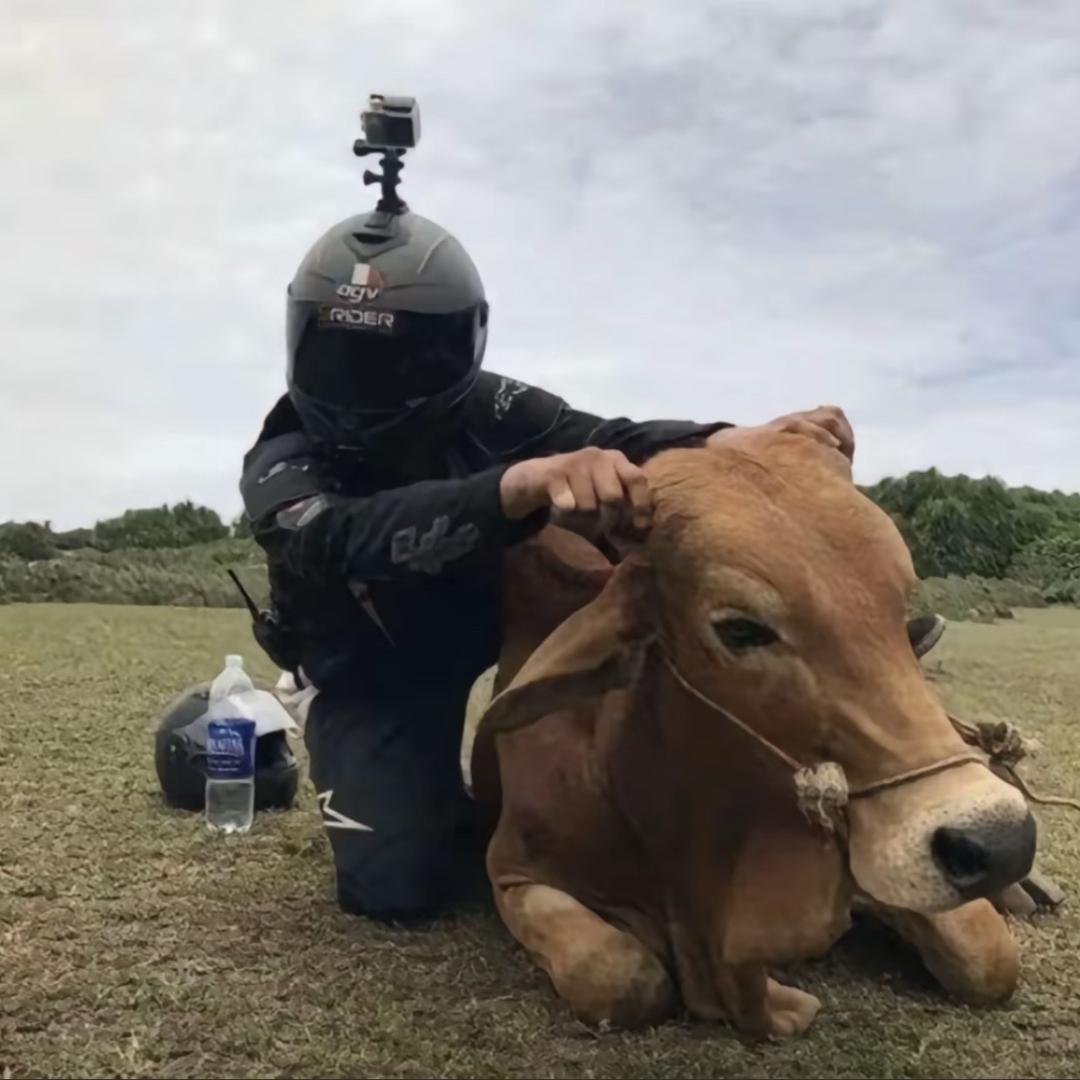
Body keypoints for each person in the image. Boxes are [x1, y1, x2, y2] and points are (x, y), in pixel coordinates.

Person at [239, 207, 945, 925]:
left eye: (399, 359)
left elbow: (608, 437)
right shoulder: (283, 458)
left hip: (492, 613)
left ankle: (867, 711)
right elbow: (329, 539)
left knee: (642, 548)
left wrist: (730, 437)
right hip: (373, 665)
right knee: (396, 886)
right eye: (340, 353)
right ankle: (396, 762)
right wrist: (512, 488)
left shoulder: (491, 406)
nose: (365, 384)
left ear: (456, 347)